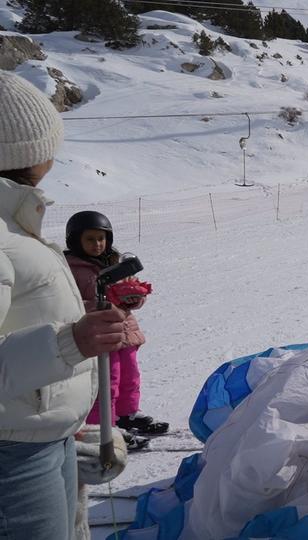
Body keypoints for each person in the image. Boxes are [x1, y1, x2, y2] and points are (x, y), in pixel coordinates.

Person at [0, 71, 128, 539]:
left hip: (36, 443)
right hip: (13, 460)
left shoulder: (15, 222)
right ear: (27, 153)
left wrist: (63, 428)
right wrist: (72, 341)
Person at [64, 212, 168, 450]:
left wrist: (133, 297)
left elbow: (129, 291)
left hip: (125, 331)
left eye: (101, 238)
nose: (97, 244)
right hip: (100, 335)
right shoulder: (70, 268)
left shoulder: (115, 263)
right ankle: (104, 427)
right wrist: (102, 304)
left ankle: (126, 415)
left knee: (130, 377)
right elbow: (69, 304)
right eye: (90, 239)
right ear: (75, 241)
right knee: (106, 382)